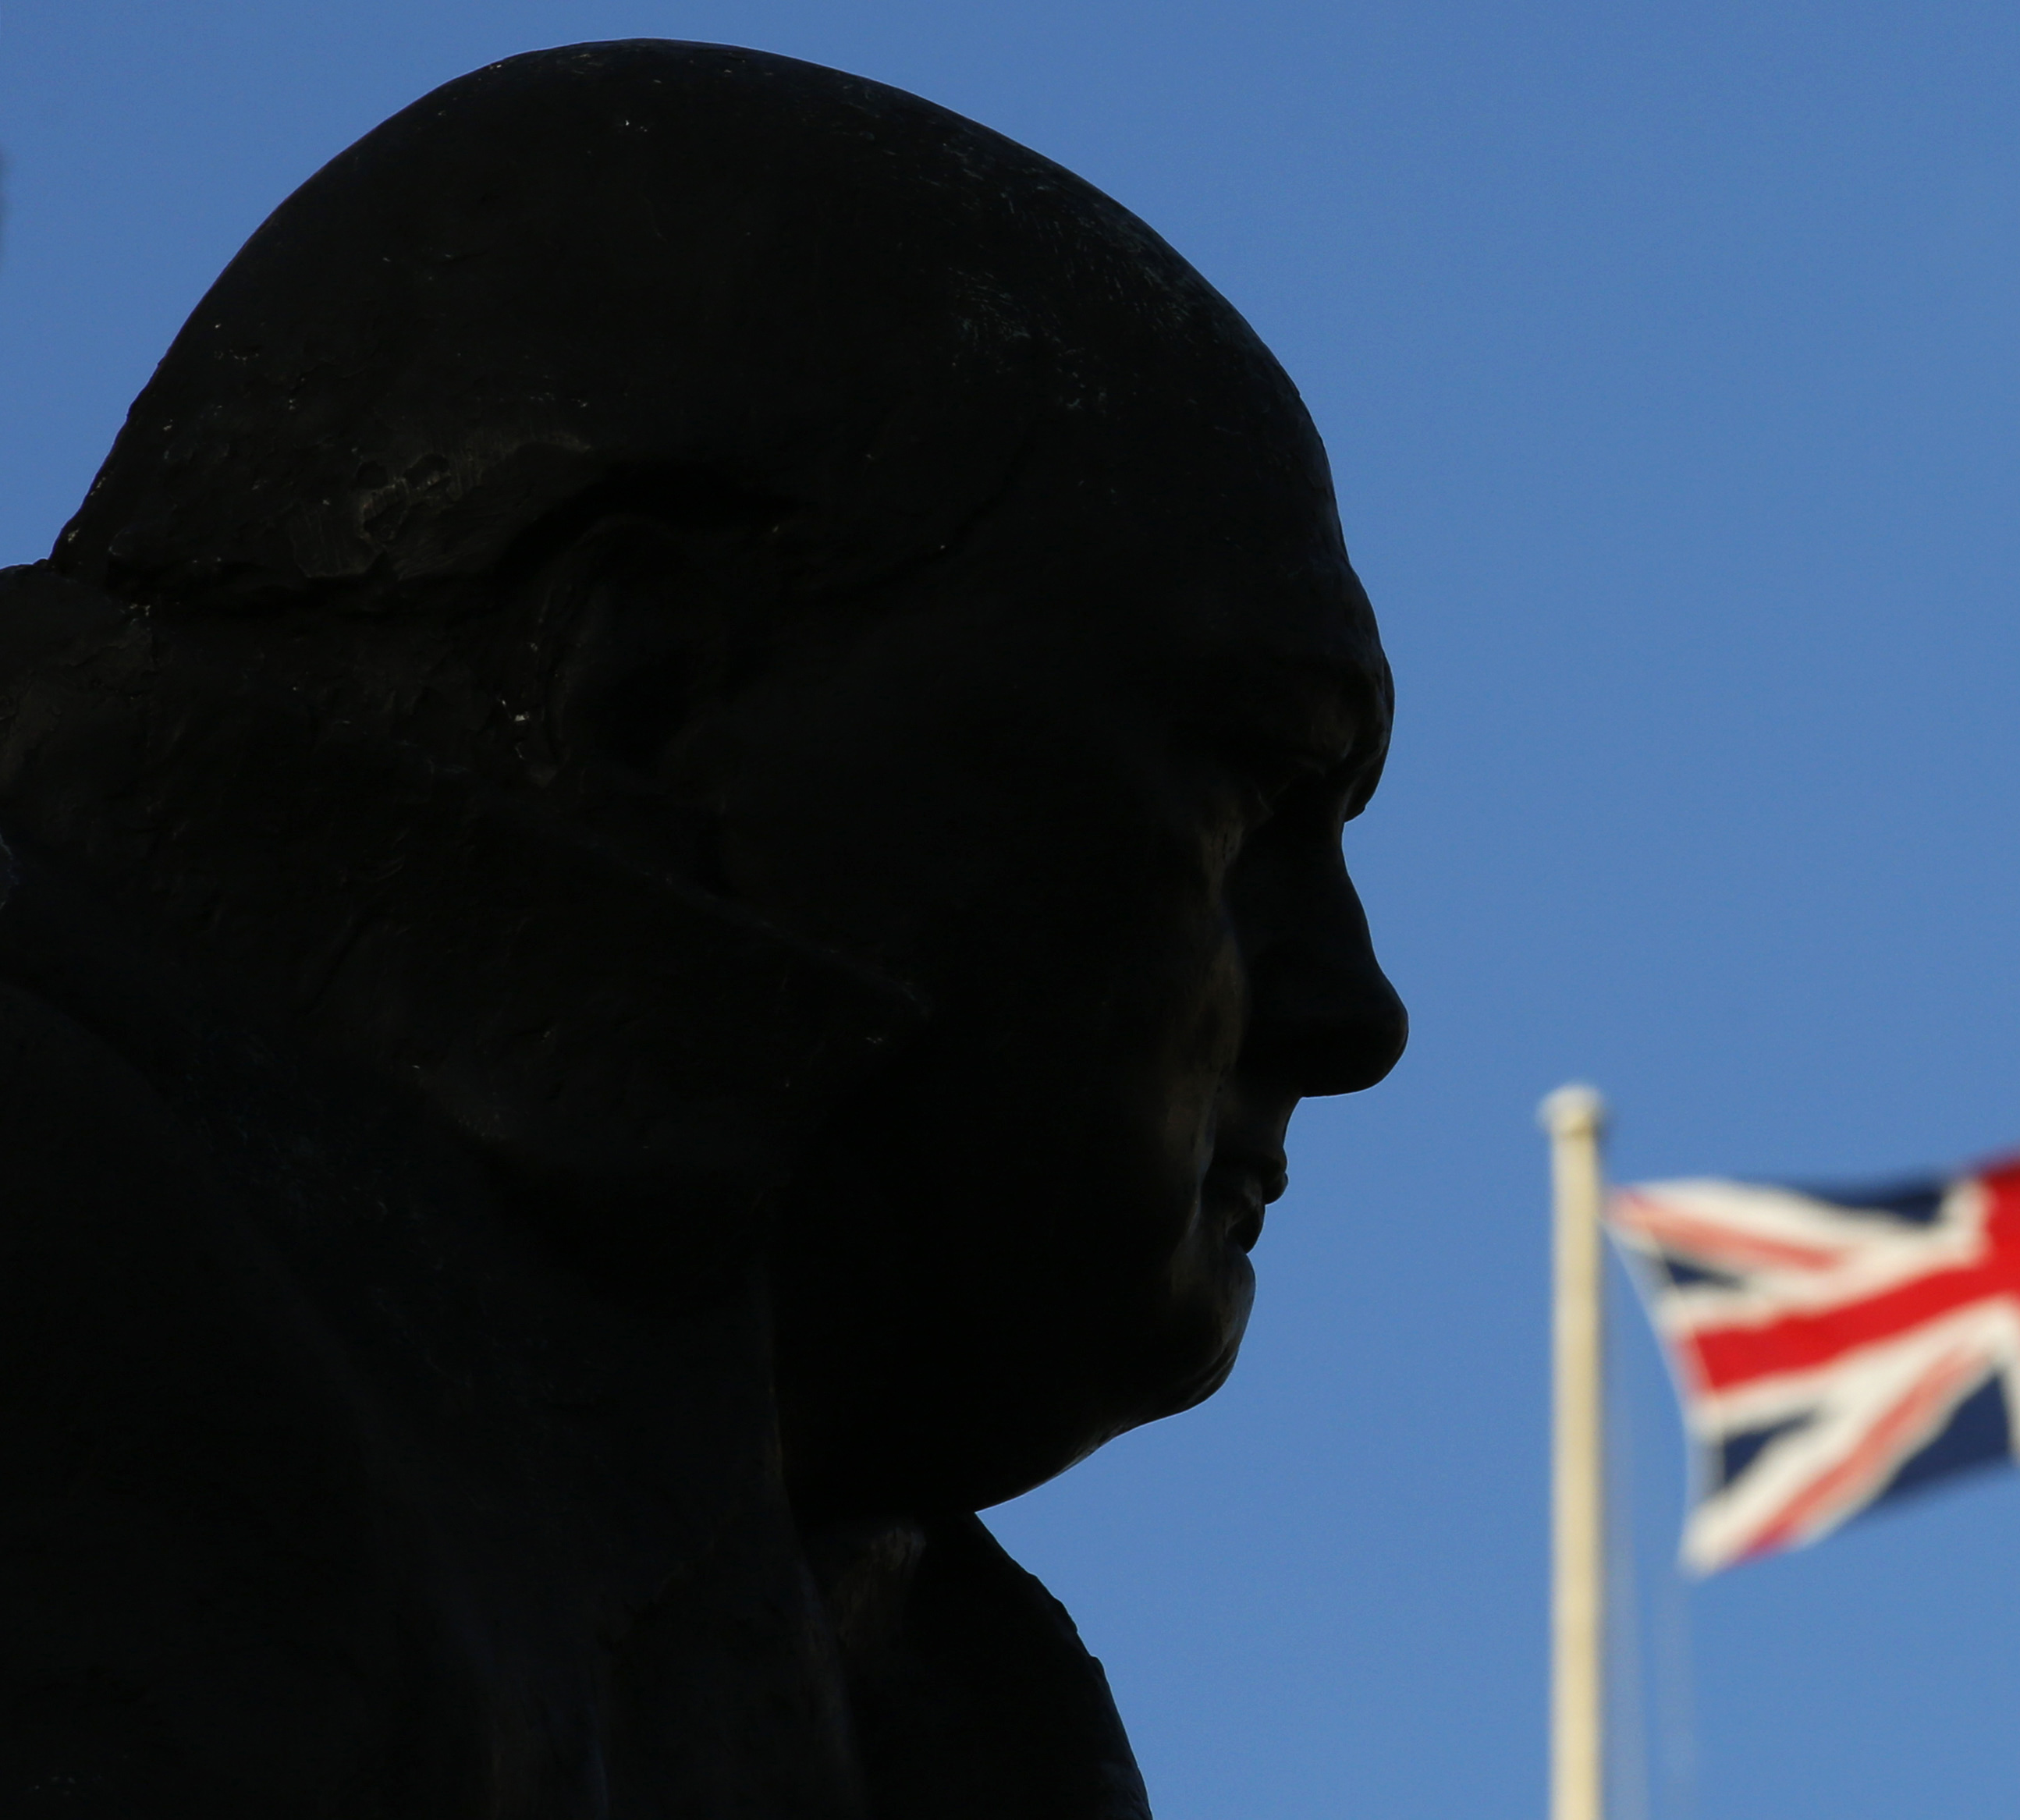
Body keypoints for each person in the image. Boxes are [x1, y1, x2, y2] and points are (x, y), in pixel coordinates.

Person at [0, 40, 1406, 1817]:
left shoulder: (931, 1698)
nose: (1351, 1015)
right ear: (660, 692)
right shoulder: (92, 1304)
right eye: (1248, 797)